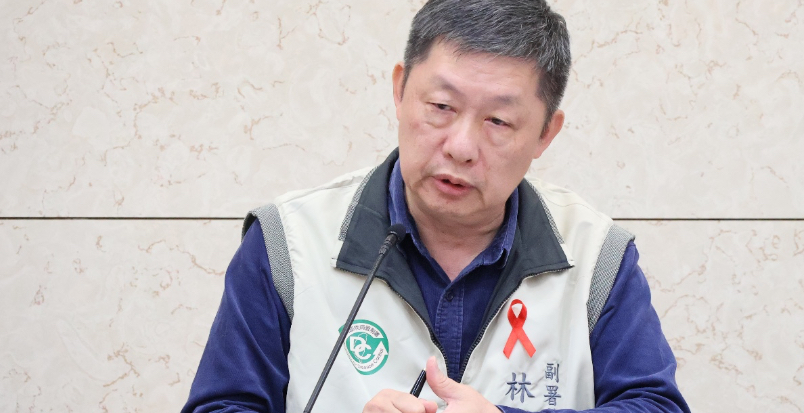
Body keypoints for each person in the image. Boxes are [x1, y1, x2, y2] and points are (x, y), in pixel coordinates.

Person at [182, 0, 690, 412]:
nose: (461, 146)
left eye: (498, 122)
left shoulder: (597, 255)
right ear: (400, 90)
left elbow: (655, 405)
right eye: (442, 107)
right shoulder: (289, 242)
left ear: (545, 134)